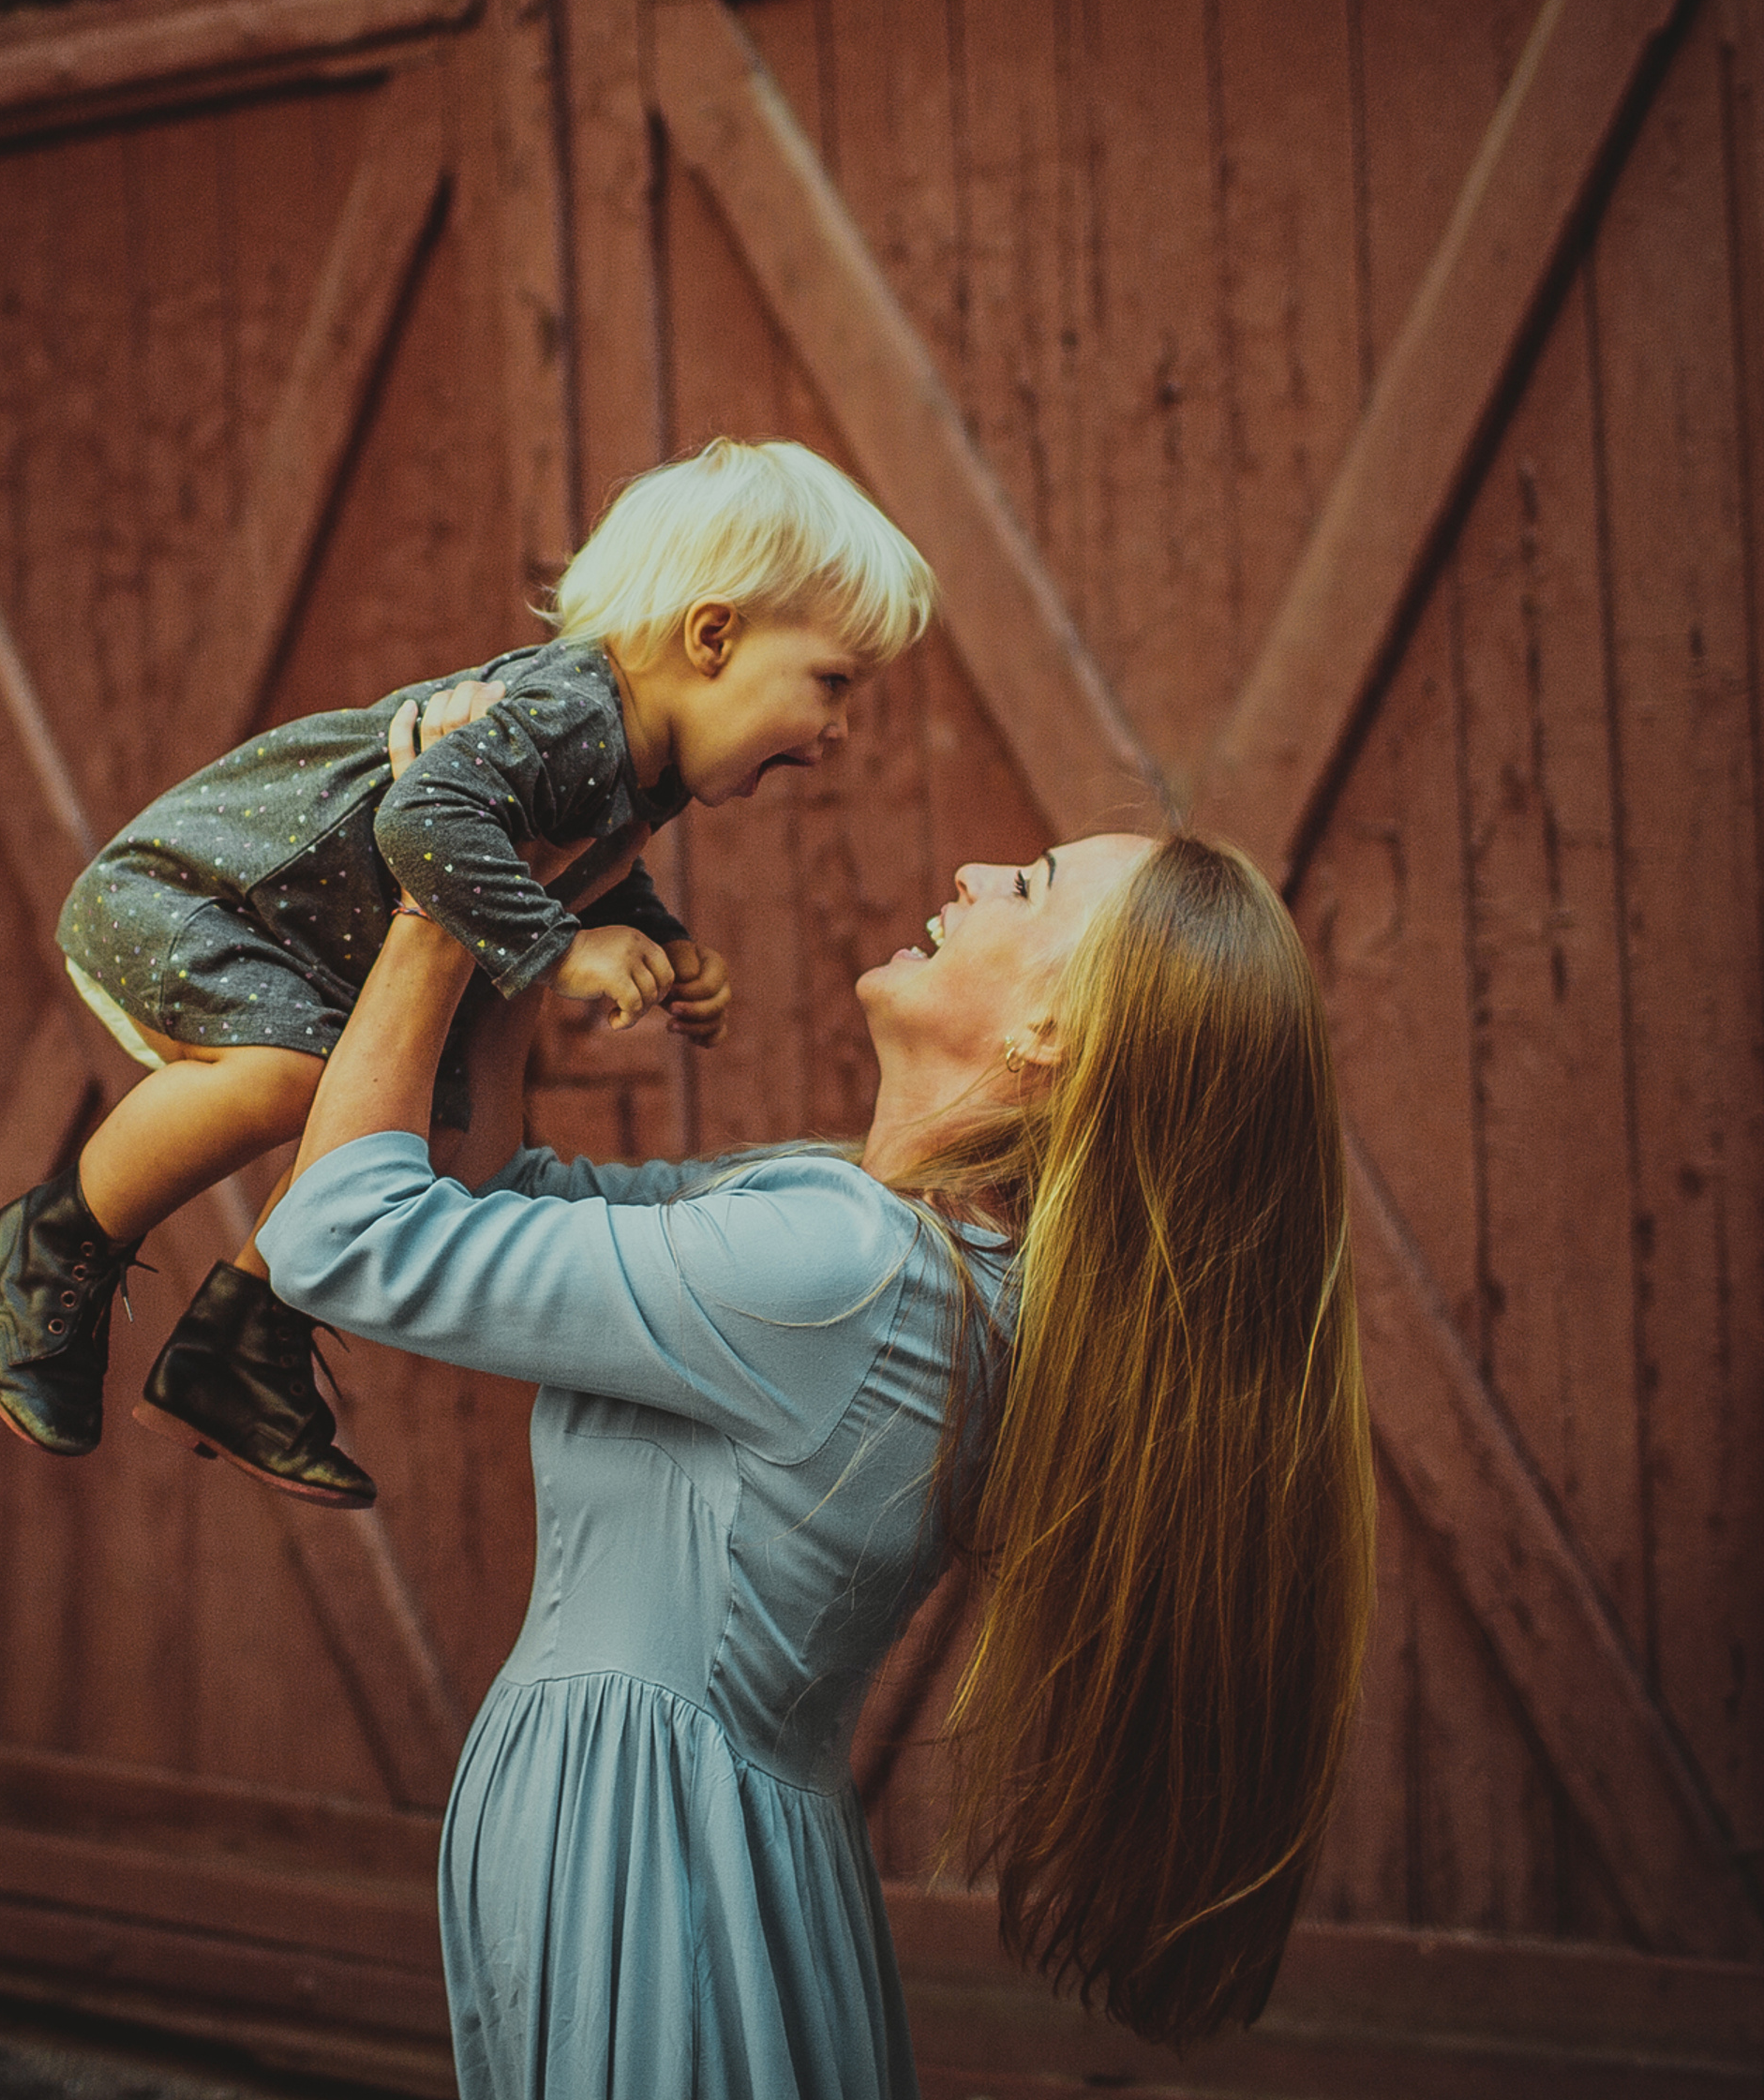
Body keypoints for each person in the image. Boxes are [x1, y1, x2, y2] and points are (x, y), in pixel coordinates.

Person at [256, 707, 1377, 2093]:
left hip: (647, 1863)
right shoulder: (905, 1257)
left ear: (1051, 1032)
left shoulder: (847, 1272)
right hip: (687, 1848)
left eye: (1024, 888)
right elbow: (492, 1196)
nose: (972, 880)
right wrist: (524, 919)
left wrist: (437, 874)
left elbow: (341, 1240)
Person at [0, 438, 939, 1505]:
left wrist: (655, 938)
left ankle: (241, 1343)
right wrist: (567, 952)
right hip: (197, 897)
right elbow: (423, 812)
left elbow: (585, 859)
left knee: (432, 1140)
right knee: (297, 1074)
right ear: (713, 636)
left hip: (287, 942)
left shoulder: (635, 765)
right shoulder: (576, 712)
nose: (840, 729)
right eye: (832, 682)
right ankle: (51, 1240)